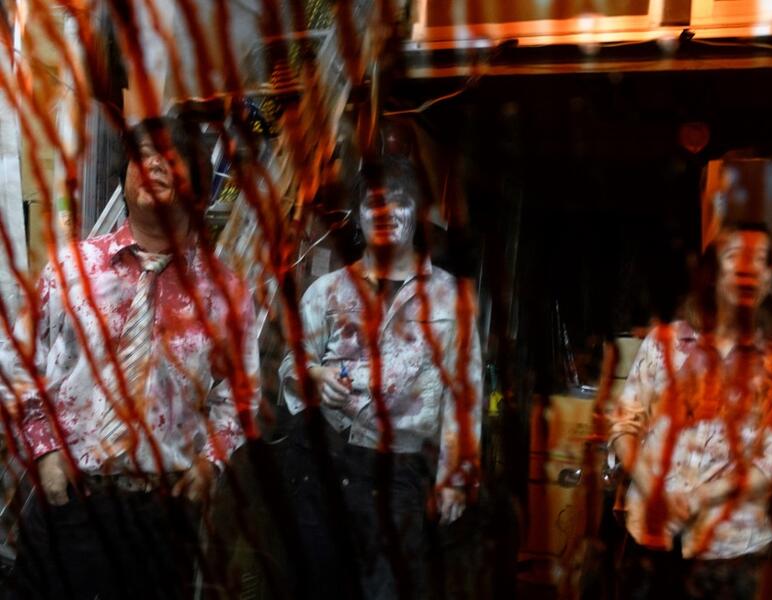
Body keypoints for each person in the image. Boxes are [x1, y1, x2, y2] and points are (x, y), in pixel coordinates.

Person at [3, 116, 260, 599]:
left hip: (161, 519)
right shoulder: (72, 270)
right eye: (142, 156)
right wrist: (45, 451)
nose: (153, 165)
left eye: (172, 158)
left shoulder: (227, 295)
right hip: (71, 500)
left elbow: (238, 396)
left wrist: (210, 463)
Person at [278, 155, 482, 599]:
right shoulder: (326, 290)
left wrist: (455, 475)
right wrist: (313, 375)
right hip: (323, 465)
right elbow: (292, 362)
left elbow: (464, 393)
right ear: (358, 217)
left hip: (400, 473)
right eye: (373, 203)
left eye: (399, 201)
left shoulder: (453, 300)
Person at [609, 222, 772, 599]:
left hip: (733, 560)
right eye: (733, 257)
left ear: (769, 281)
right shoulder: (665, 343)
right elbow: (625, 423)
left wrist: (700, 499)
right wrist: (651, 486)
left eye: (759, 260)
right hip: (649, 544)